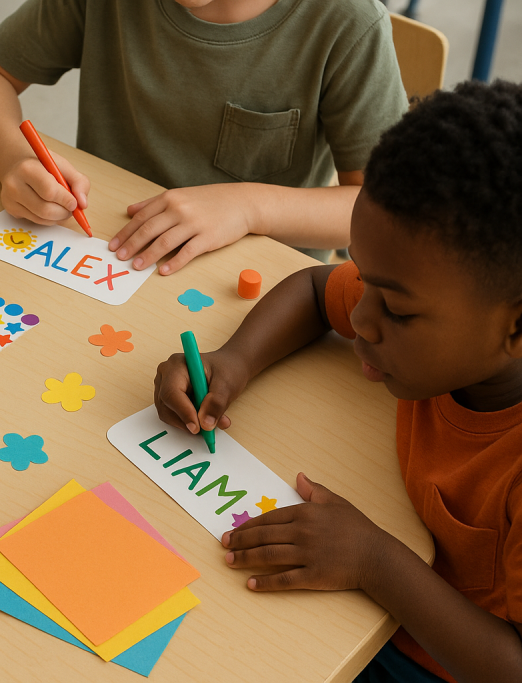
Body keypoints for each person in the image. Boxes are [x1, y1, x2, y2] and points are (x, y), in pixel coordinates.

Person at [154, 81, 522, 682]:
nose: (362, 318)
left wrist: (375, 562)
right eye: (364, 276)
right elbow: (313, 288)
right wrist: (235, 360)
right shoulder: (435, 295)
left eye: (397, 310)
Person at [0, 0, 407, 272]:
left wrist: (248, 206)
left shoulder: (347, 22)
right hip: (106, 252)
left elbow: (388, 208)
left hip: (257, 300)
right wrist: (11, 157)